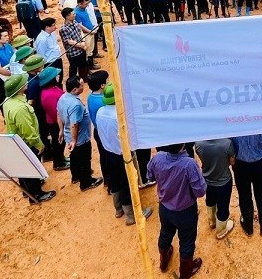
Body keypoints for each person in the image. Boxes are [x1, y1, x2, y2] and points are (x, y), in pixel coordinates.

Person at [94, 84, 152, 226]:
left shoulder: (100, 112)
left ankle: (118, 209)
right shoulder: (120, 116)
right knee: (127, 182)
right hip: (122, 154)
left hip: (108, 151)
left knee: (114, 180)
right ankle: (131, 215)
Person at [148, 143, 206, 278]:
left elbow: (150, 176)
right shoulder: (189, 164)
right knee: (187, 241)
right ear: (183, 143)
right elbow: (200, 191)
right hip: (186, 211)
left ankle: (163, 261)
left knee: (165, 233)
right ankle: (185, 272)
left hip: (165, 208)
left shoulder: (157, 158)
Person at [2, 74, 56, 204]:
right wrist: (38, 144)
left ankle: (26, 190)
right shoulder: (20, 108)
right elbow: (27, 130)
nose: (26, 83)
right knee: (32, 167)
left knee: (24, 167)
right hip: (26, 142)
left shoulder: (8, 101)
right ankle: (36, 195)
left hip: (17, 141)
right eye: (23, 83)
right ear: (19, 88)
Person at [57, 76, 103, 191]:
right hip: (80, 138)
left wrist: (61, 130)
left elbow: (58, 113)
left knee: (74, 157)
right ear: (74, 89)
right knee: (84, 159)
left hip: (69, 135)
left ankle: (76, 176)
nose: (84, 86)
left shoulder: (63, 97)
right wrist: (74, 140)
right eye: (81, 85)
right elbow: (74, 124)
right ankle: (86, 182)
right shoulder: (76, 105)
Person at [231, 134, 262, 236]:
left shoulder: (233, 123)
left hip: (240, 163)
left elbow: (229, 143)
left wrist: (231, 160)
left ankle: (248, 226)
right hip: (260, 163)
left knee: (244, 194)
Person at [195, 138, 236, 240]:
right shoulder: (227, 143)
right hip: (223, 181)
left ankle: (212, 221)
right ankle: (221, 230)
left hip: (207, 180)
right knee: (223, 206)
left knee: (210, 200)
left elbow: (202, 159)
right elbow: (232, 162)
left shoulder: (198, 144)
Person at [38, 66, 68, 171]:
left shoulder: (53, 88)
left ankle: (62, 158)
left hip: (58, 121)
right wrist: (62, 123)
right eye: (56, 76)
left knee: (61, 142)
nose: (58, 76)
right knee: (58, 143)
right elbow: (54, 112)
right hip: (55, 123)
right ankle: (58, 163)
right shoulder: (49, 94)